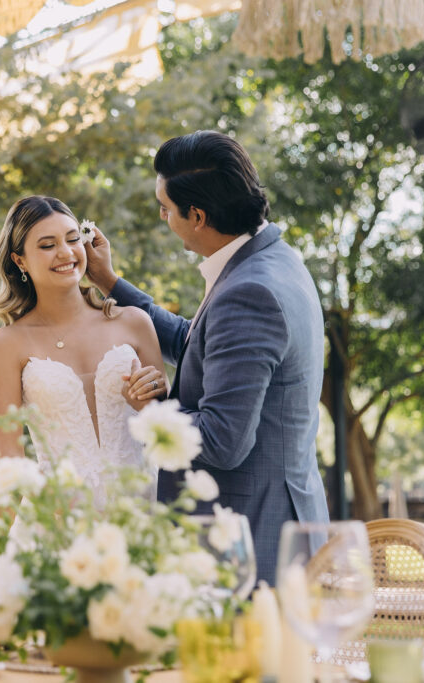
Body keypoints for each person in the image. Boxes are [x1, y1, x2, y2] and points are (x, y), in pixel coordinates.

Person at [84, 131, 329, 584]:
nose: (162, 217)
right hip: (285, 520)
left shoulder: (247, 292)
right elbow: (198, 343)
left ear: (197, 215)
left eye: (165, 208)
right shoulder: (274, 259)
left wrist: (151, 410)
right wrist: (110, 282)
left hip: (253, 541)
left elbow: (222, 441)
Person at [0, 195, 168, 506]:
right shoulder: (7, 343)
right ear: (20, 260)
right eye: (47, 245)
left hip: (141, 512)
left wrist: (152, 403)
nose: (66, 252)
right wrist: (55, 519)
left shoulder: (134, 322)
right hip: (57, 522)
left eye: (73, 239)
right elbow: (8, 459)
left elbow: (170, 433)